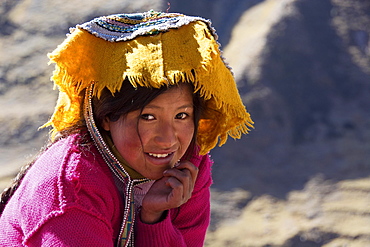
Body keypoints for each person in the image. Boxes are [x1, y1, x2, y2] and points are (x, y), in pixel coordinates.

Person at [0, 10, 253, 246]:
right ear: (107, 117)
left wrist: (153, 218)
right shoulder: (70, 190)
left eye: (181, 115)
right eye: (148, 117)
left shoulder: (187, 171)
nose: (168, 140)